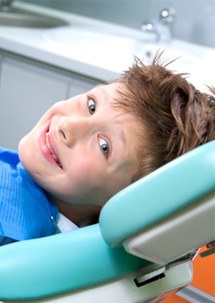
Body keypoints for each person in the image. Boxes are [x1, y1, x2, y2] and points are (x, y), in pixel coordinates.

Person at [0, 54, 214, 246]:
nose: (68, 125)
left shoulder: (12, 225)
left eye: (104, 146)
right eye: (91, 106)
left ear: (120, 204)